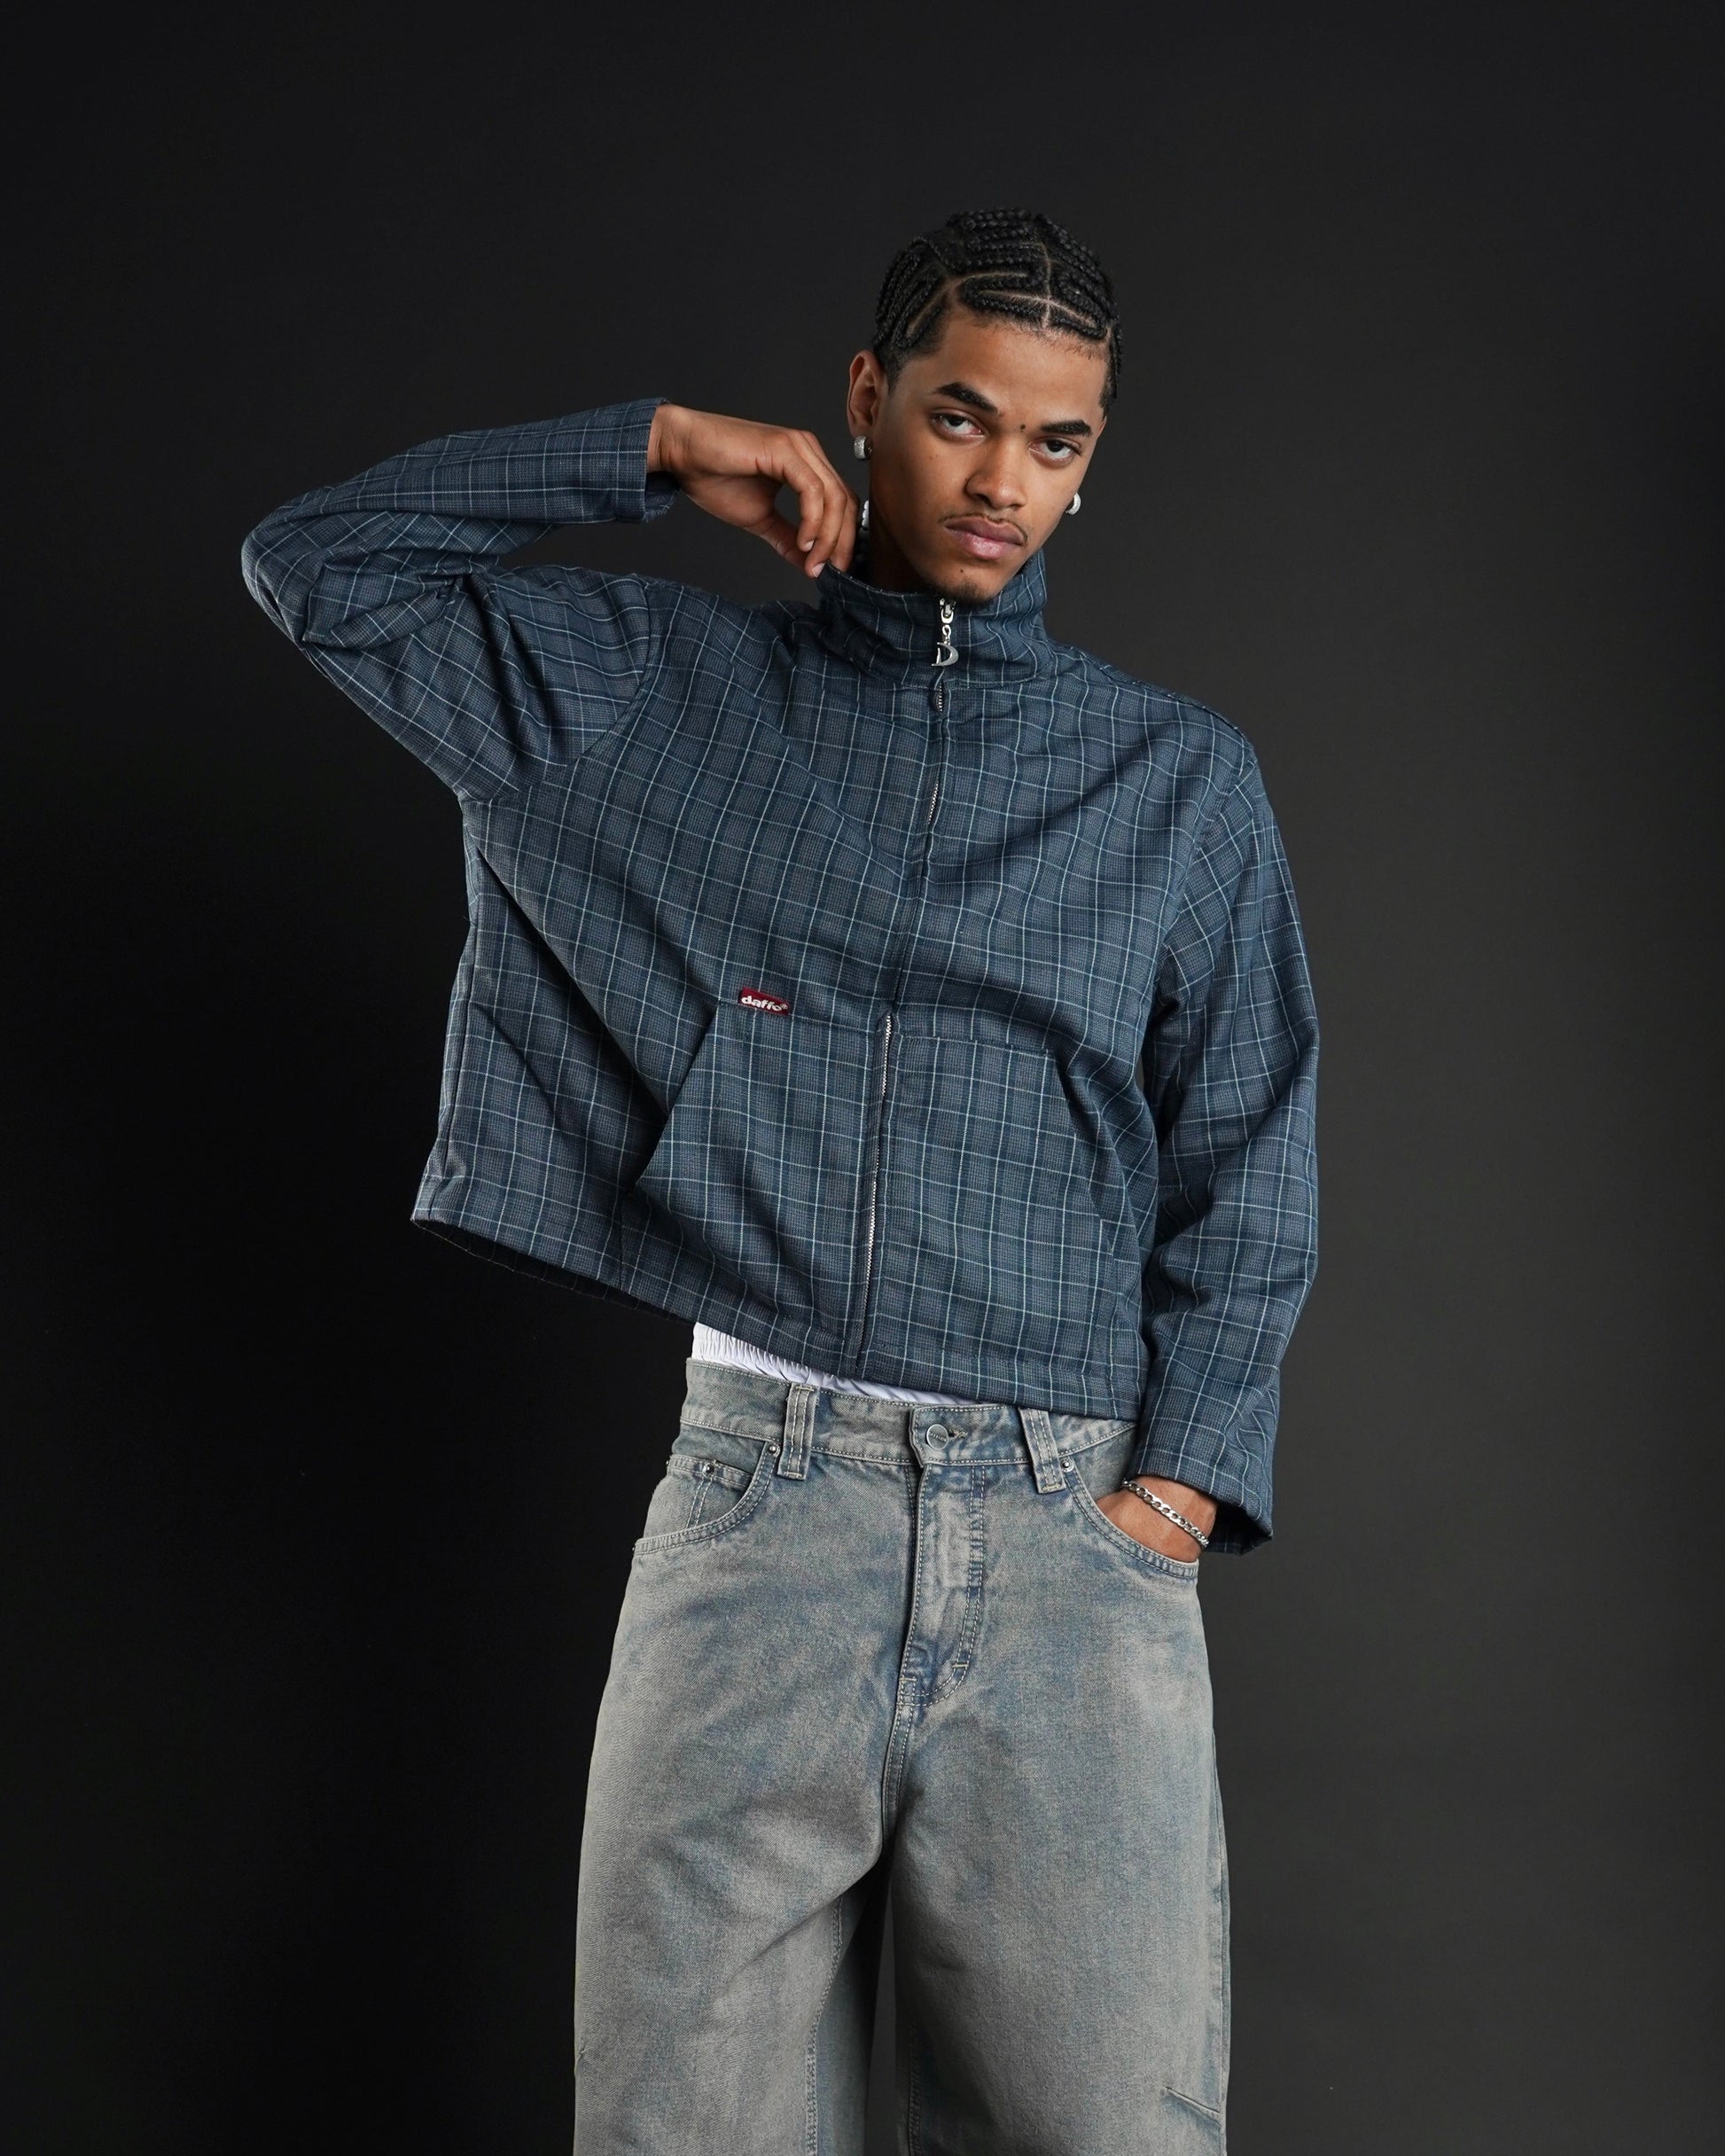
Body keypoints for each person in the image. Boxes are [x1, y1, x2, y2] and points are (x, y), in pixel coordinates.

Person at [243, 207, 1318, 2153]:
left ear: (1091, 463)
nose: (999, 483)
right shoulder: (640, 695)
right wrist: (656, 450)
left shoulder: (1176, 783)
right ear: (865, 400)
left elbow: (1248, 1151)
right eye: (958, 416)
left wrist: (1166, 1500)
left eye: (1055, 442)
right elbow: (319, 566)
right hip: (761, 1511)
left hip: (1072, 1542)